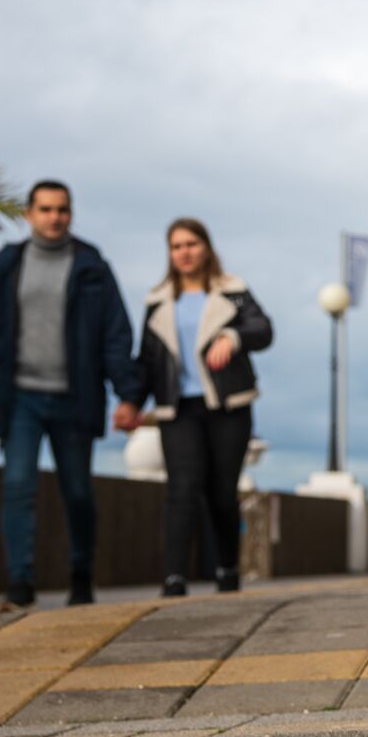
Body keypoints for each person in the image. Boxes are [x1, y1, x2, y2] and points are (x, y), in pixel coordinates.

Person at [0, 180, 142, 611]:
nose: (55, 218)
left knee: (77, 492)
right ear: (29, 214)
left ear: (71, 214)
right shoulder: (4, 267)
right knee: (17, 486)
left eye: (62, 210)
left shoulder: (92, 267)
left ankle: (80, 576)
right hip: (20, 398)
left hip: (76, 398)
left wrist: (127, 394)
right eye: (46, 209)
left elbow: (115, 335)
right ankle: (20, 583)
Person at [129, 218, 272, 597]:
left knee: (222, 492)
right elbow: (147, 358)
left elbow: (263, 330)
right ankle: (174, 577)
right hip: (177, 408)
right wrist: (130, 403)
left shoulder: (233, 291)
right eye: (176, 246)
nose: (185, 252)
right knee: (182, 487)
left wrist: (233, 335)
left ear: (206, 247)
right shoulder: (157, 300)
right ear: (169, 253)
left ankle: (227, 569)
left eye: (191, 244)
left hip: (228, 406)